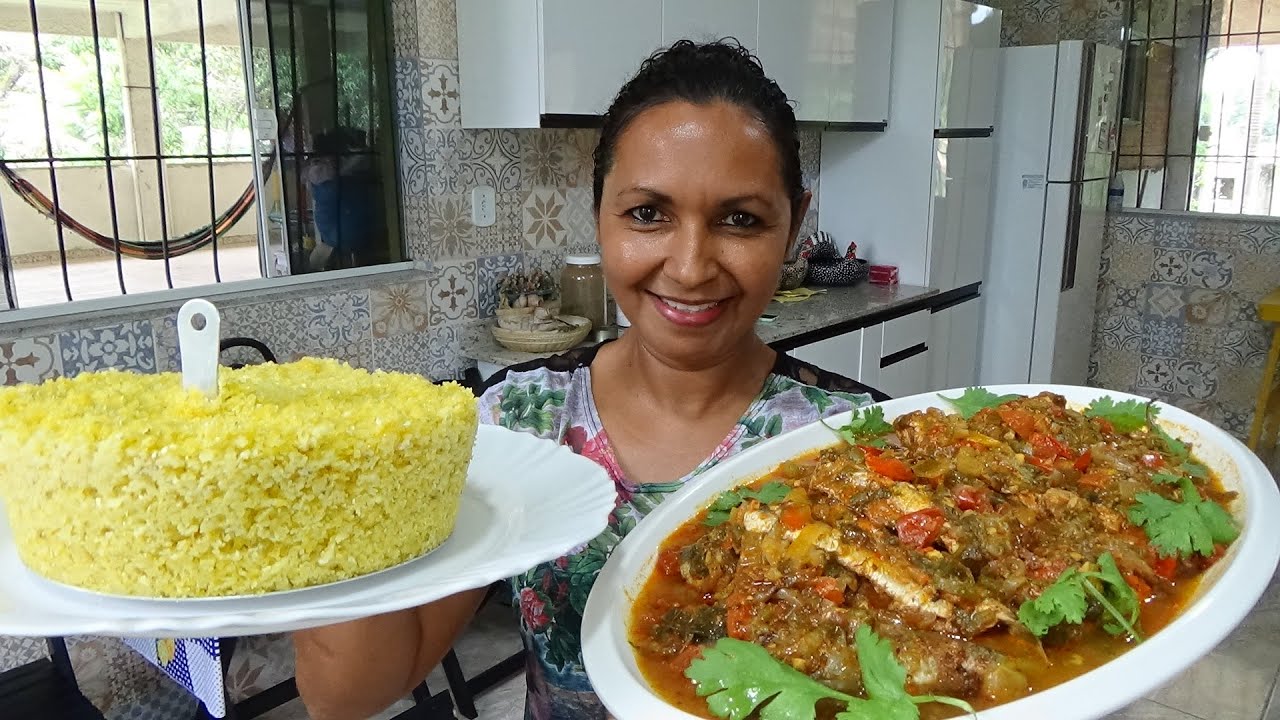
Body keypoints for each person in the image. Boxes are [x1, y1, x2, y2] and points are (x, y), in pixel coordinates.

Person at [293, 39, 888, 720]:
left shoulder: (861, 448)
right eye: (647, 214)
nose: (691, 266)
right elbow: (349, 696)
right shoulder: (517, 422)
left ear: (793, 229)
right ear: (598, 210)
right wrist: (346, 491)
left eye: (740, 220)